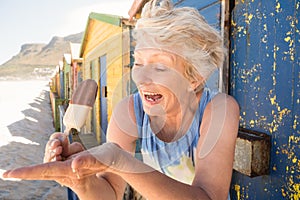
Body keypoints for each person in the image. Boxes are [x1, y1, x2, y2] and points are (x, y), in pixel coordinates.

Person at [3, 0, 240, 199]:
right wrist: (81, 181)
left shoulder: (219, 109)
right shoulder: (129, 111)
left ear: (194, 78)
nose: (141, 78)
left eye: (159, 67)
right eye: (137, 63)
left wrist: (122, 161)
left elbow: (209, 196)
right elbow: (109, 193)